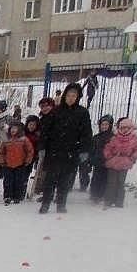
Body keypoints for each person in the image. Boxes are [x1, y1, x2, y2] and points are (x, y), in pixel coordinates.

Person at [37, 83, 93, 214]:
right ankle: (45, 203)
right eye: (69, 95)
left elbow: (86, 133)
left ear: (78, 97)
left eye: (74, 95)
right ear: (64, 96)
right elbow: (45, 131)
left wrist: (85, 150)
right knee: (49, 179)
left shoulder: (82, 113)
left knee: (65, 180)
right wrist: (42, 148)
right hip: (53, 151)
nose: (71, 98)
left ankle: (61, 204)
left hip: (71, 152)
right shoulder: (55, 111)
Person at [100, 116, 137, 209]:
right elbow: (108, 148)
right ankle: (109, 200)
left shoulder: (134, 139)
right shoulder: (115, 138)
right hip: (113, 162)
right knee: (111, 182)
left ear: (131, 128)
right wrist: (109, 156)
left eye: (127, 128)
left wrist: (132, 158)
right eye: (122, 128)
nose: (124, 130)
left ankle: (119, 201)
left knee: (120, 182)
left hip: (125, 163)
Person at [0, 121, 35, 205]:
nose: (13, 130)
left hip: (20, 164)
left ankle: (17, 196)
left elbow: (30, 151)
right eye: (12, 128)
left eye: (15, 128)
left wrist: (27, 160)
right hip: (8, 164)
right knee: (8, 181)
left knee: (18, 181)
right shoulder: (6, 139)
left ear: (19, 129)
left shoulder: (24, 139)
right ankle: (7, 196)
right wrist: (1, 160)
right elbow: (1, 151)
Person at [89, 114, 115, 204]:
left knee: (105, 179)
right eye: (102, 125)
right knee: (96, 178)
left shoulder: (113, 138)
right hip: (97, 161)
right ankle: (94, 194)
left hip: (108, 162)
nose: (104, 126)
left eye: (106, 125)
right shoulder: (96, 137)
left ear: (110, 126)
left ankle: (101, 194)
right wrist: (91, 159)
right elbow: (92, 149)